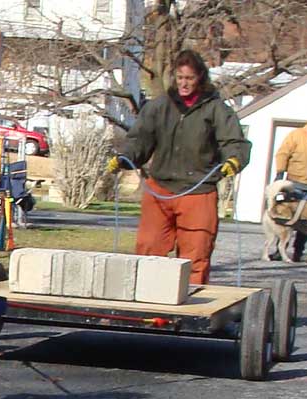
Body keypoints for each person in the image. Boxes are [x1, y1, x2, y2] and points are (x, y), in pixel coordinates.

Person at [106, 49, 251, 285]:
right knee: (149, 248)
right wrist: (125, 157)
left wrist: (233, 160)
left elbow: (235, 142)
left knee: (196, 254)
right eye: (180, 78)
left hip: (198, 191)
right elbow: (140, 139)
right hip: (160, 188)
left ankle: (191, 310)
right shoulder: (159, 106)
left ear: (200, 78)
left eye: (190, 78)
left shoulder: (216, 109)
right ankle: (148, 303)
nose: (184, 84)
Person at [272, 112, 307, 261]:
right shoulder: (297, 135)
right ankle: (280, 250)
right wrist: (279, 174)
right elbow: (283, 153)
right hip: (294, 182)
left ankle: (298, 252)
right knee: (287, 216)